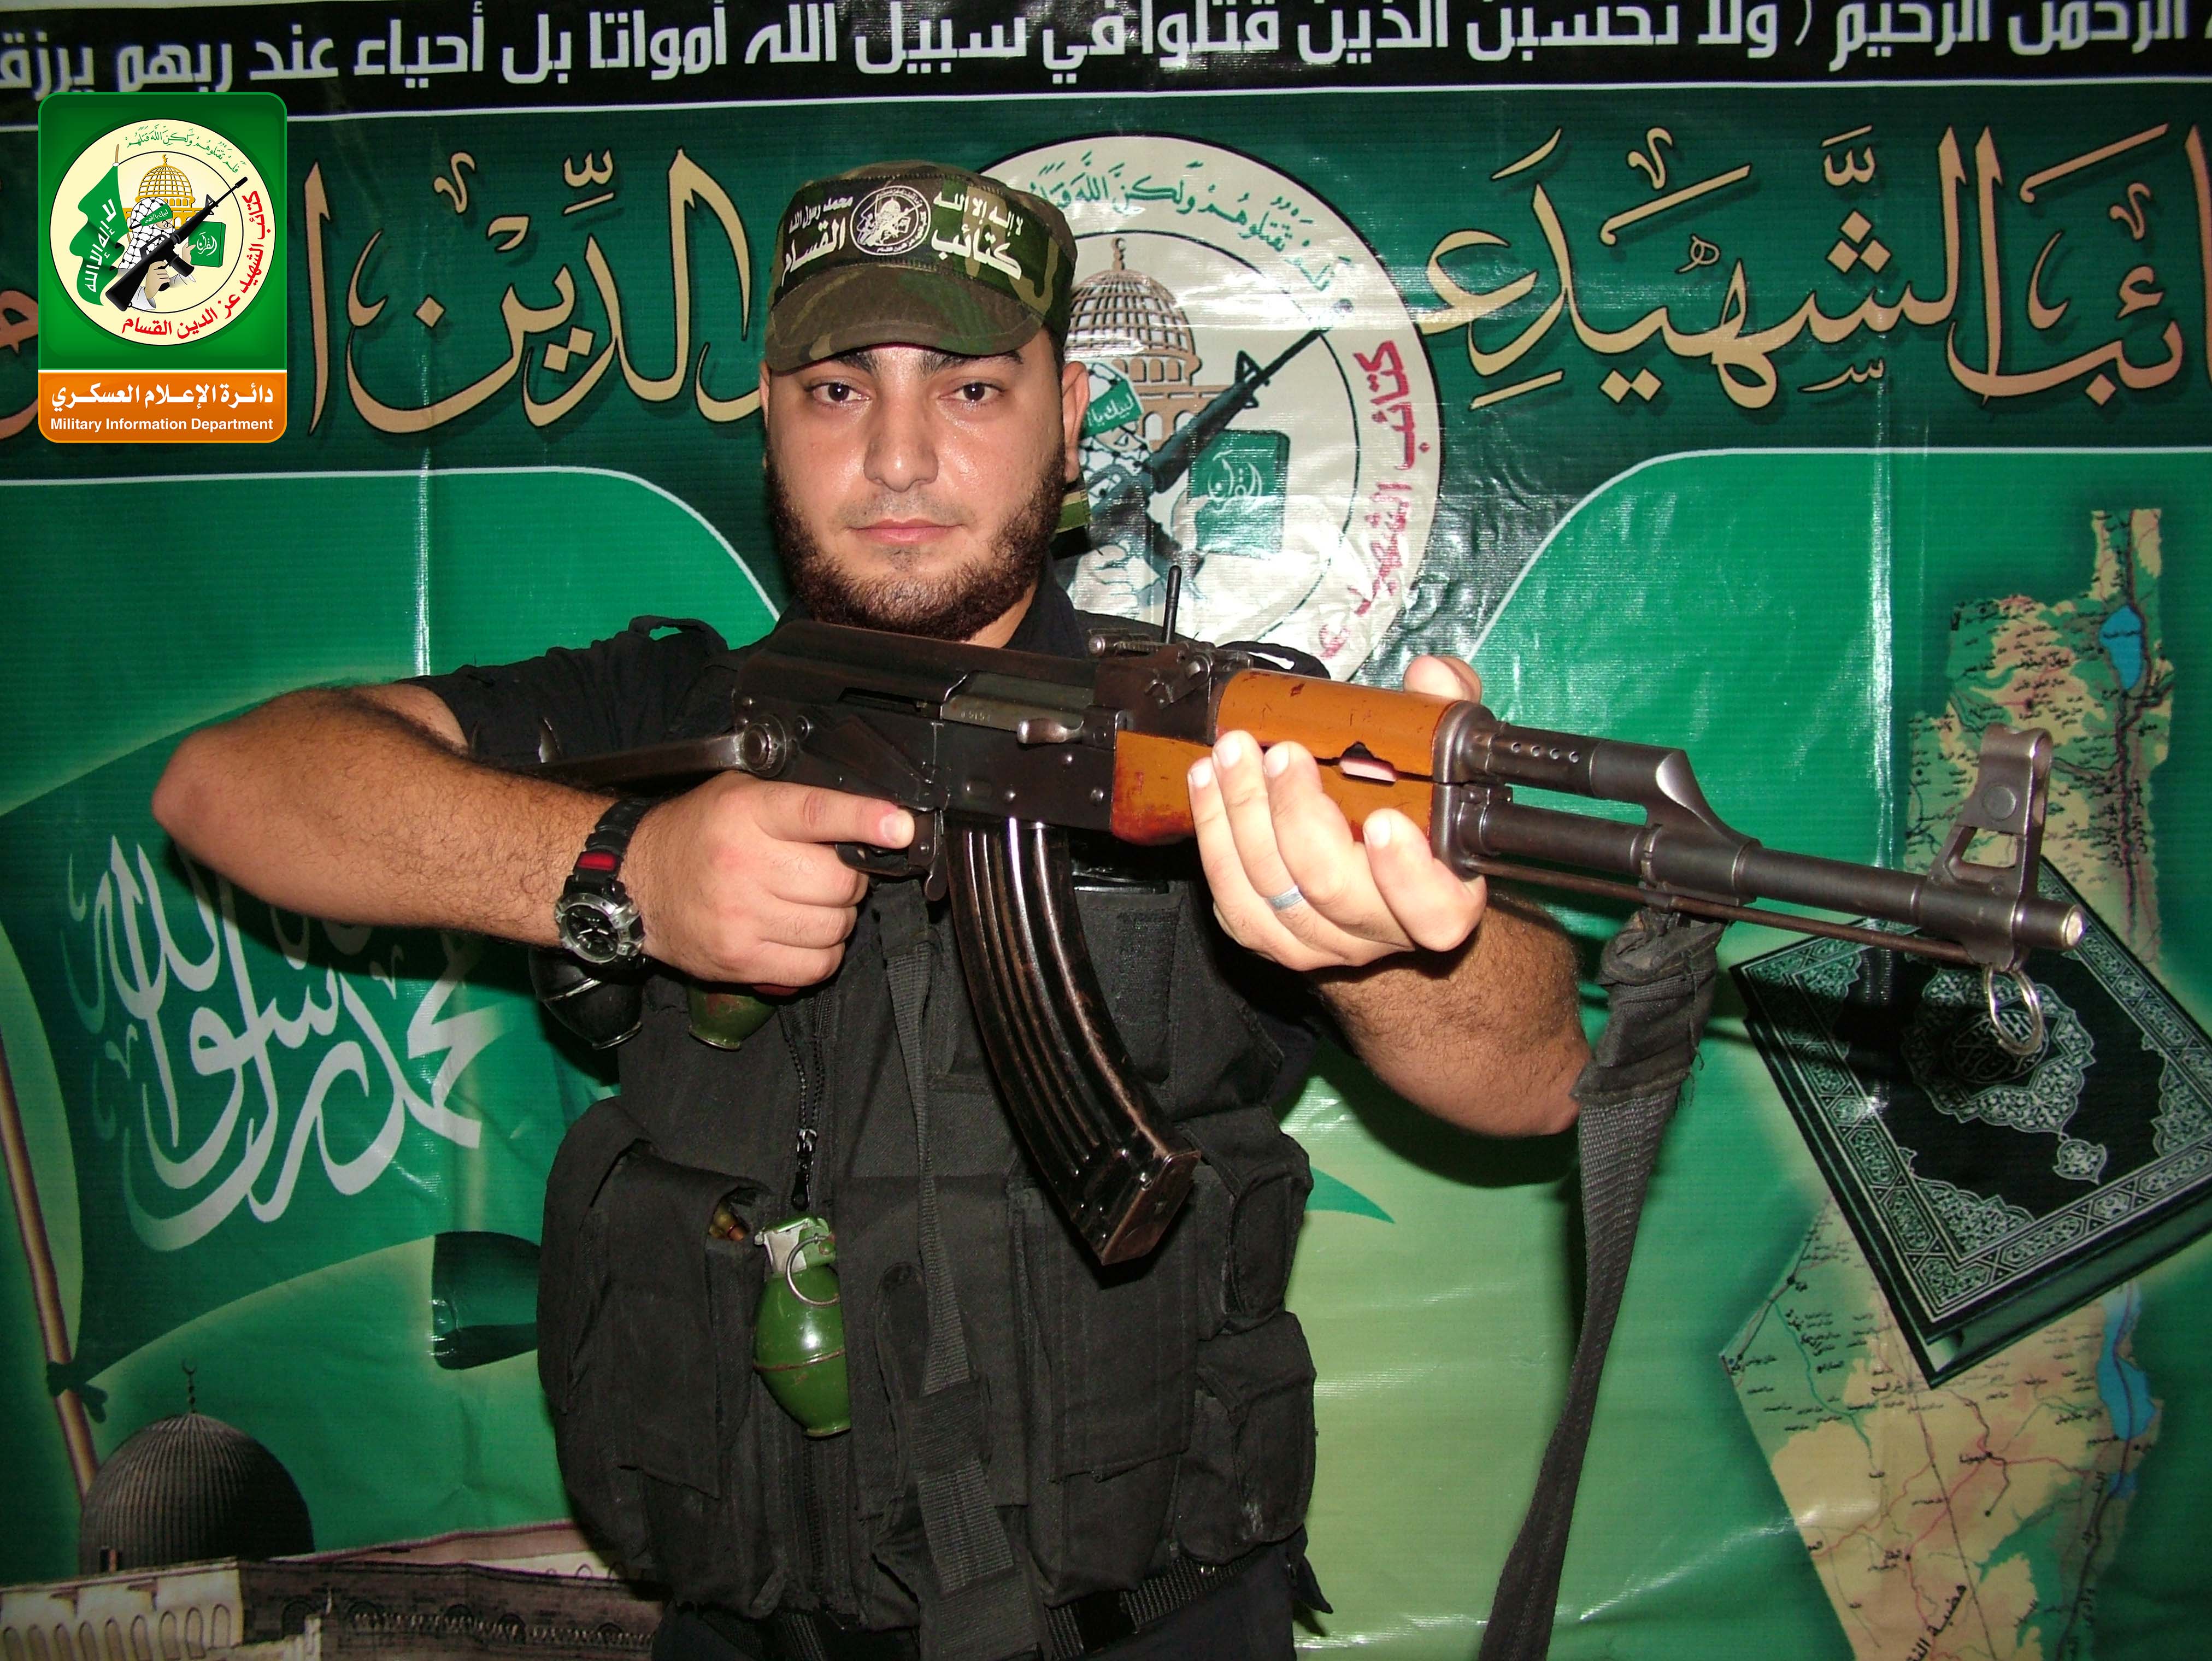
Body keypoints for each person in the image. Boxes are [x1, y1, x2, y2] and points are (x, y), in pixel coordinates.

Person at [154, 161, 1587, 1661]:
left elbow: (1539, 1074)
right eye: (838, 392)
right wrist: (625, 869)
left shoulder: (1209, 737)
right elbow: (229, 787)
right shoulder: (668, 706)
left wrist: (1390, 950)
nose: (899, 459)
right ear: (770, 418)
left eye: (970, 391)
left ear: (1071, 416)